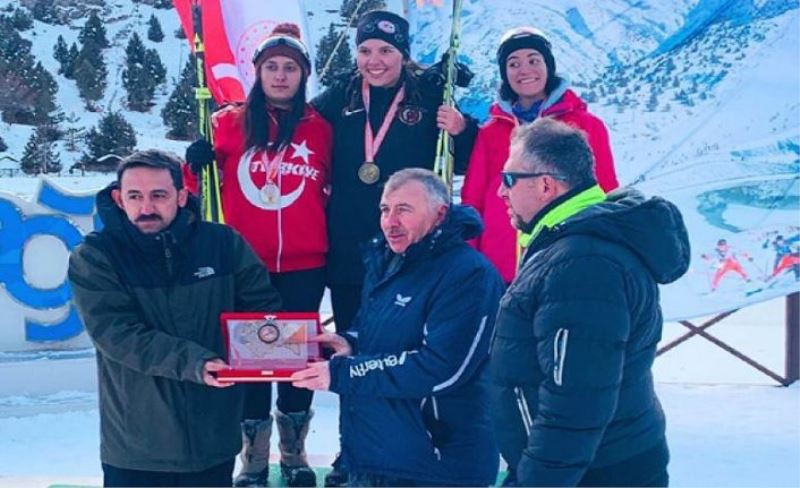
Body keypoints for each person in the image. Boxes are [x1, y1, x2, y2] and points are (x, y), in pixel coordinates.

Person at [311, 10, 477, 484]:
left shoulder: (427, 96)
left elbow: (463, 159)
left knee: (400, 355)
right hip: (348, 253)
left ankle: (410, 449)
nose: (375, 61)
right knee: (352, 355)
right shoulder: (337, 98)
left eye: (386, 51)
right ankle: (352, 453)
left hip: (408, 253)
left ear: (404, 56)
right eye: (365, 51)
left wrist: (462, 130)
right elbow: (291, 128)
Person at [491, 118, 690, 487]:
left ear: (546, 185)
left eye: (508, 179)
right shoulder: (572, 245)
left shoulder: (581, 265)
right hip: (595, 464)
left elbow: (575, 401)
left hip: (594, 471)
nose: (501, 192)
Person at [68, 150, 283, 487]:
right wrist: (196, 363)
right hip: (137, 447)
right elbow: (117, 334)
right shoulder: (96, 255)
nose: (147, 207)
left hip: (213, 439)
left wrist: (297, 343)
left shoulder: (223, 243)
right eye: (135, 196)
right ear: (118, 199)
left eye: (159, 195)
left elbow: (261, 309)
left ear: (182, 196)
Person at [183, 23, 332, 487]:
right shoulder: (228, 123)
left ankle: (294, 454)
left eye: (290, 68)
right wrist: (195, 164)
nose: (281, 76)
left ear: (303, 75)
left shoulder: (321, 129)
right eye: (272, 67)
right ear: (258, 72)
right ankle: (253, 459)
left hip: (305, 263)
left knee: (296, 366)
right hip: (247, 265)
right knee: (250, 364)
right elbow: (195, 191)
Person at [291, 168, 504, 487]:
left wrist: (344, 373)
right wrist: (350, 343)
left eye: (404, 210)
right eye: (385, 210)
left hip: (436, 464)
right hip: (375, 454)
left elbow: (442, 367)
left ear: (439, 214)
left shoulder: (468, 274)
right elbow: (375, 331)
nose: (390, 221)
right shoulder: (388, 260)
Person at [461, 26, 618, 284]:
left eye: (534, 60)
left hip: (567, 261)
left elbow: (606, 193)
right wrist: (471, 263)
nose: (524, 70)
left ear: (549, 66)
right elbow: (473, 201)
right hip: (500, 269)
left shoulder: (587, 126)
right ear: (505, 73)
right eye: (513, 63)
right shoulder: (490, 133)